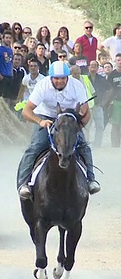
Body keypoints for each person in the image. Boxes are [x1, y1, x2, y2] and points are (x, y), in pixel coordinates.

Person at [16, 61, 100, 198]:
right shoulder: (42, 86)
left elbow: (86, 112)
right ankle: (23, 184)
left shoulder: (77, 86)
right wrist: (40, 121)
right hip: (46, 117)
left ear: (68, 77)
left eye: (63, 78)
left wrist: (77, 128)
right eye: (56, 78)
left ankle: (91, 180)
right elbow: (26, 111)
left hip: (69, 118)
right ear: (51, 78)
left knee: (84, 146)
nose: (60, 81)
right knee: (35, 147)